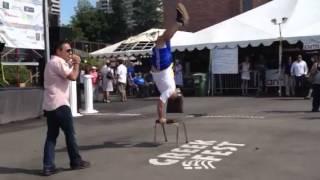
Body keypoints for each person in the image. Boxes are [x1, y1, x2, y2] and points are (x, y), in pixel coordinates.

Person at [42, 41, 90, 176]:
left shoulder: (53, 62)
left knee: (51, 136)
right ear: (58, 51)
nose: (70, 53)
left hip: (50, 104)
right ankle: (75, 161)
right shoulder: (57, 62)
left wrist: (72, 63)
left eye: (71, 51)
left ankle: (48, 166)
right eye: (67, 50)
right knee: (70, 134)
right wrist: (77, 63)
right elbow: (73, 76)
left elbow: (67, 72)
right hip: (60, 104)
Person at [151, 2, 189, 123]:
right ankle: (179, 21)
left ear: (174, 97)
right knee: (162, 39)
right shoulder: (170, 89)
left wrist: (161, 117)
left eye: (178, 93)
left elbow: (160, 103)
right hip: (163, 65)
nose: (178, 90)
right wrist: (161, 117)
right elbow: (161, 102)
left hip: (163, 64)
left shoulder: (168, 92)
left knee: (162, 39)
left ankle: (179, 22)